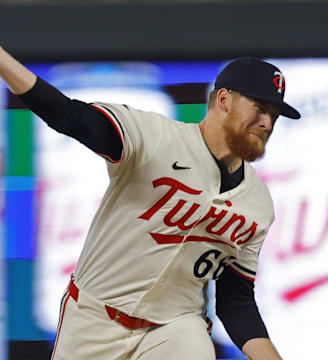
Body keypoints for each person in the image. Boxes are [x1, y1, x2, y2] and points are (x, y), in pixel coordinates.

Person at [0, 46, 300, 360]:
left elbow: (235, 302)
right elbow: (68, 115)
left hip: (175, 328)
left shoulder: (258, 203)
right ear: (224, 99)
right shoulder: (155, 137)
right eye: (259, 107)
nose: (267, 121)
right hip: (94, 319)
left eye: (274, 113)